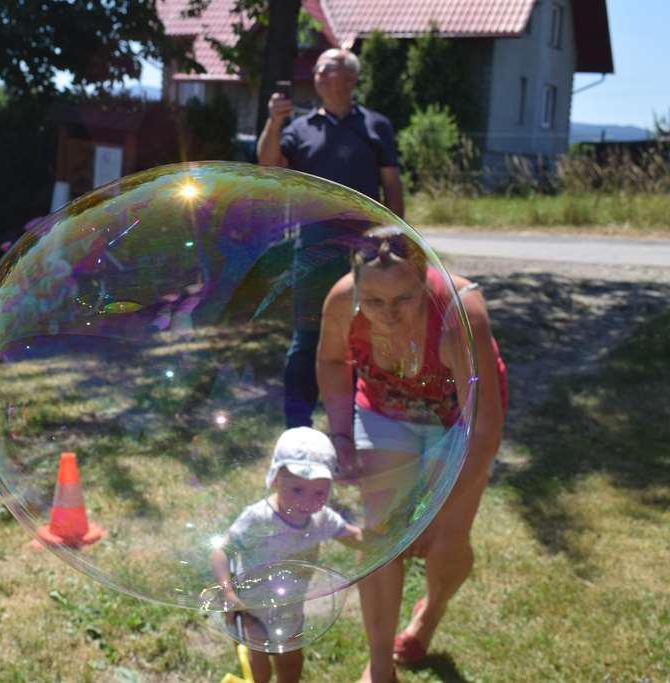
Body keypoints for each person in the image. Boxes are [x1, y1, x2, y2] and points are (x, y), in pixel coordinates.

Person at [315, 227, 507, 683]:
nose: (388, 314)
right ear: (357, 287)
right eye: (374, 301)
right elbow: (331, 361)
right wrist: (341, 434)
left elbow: (482, 432)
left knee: (445, 541)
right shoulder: (342, 301)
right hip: (385, 409)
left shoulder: (462, 315)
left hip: (456, 422)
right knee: (382, 535)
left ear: (424, 281)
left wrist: (434, 512)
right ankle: (380, 666)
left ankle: (430, 613)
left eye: (403, 299)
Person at [257, 48, 404, 430]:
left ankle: (359, 422)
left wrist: (397, 240)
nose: (318, 74)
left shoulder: (377, 126)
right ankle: (297, 425)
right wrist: (274, 121)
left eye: (327, 68)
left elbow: (392, 185)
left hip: (368, 248)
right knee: (308, 336)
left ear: (351, 78)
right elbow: (268, 165)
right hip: (314, 246)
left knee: (365, 333)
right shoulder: (299, 128)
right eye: (317, 69)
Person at [211, 427, 365, 683]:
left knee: (291, 663)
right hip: (251, 607)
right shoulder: (258, 518)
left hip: (290, 607)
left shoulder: (321, 518)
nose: (307, 501)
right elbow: (221, 551)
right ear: (275, 480)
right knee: (259, 667)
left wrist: (386, 541)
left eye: (319, 492)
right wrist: (227, 592)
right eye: (297, 490)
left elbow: (353, 537)